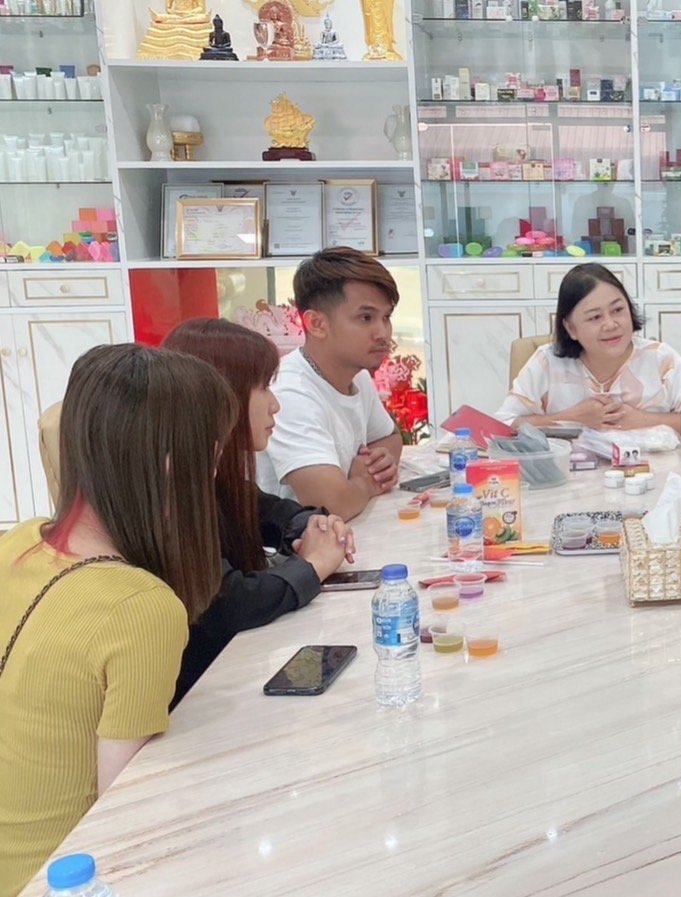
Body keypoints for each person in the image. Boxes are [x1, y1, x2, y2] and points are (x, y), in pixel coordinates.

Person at [0, 344, 234, 895]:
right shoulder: (141, 607)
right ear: (176, 467)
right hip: (58, 879)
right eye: (213, 455)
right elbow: (127, 817)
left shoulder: (17, 541)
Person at [163, 319, 356, 708]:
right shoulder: (172, 489)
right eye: (264, 387)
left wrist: (313, 525)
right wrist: (313, 565)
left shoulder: (216, 475)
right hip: (197, 699)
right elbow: (227, 601)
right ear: (221, 394)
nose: (275, 404)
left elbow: (269, 511)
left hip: (230, 675)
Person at [256, 247, 403, 519]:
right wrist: (366, 482)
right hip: (294, 541)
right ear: (316, 324)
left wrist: (378, 462)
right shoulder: (290, 393)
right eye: (366, 318)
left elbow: (390, 437)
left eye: (386, 318)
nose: (383, 333)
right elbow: (329, 506)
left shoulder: (355, 374)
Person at [496, 263, 681, 434]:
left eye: (617, 310)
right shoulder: (547, 363)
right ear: (571, 328)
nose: (610, 324)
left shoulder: (661, 360)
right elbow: (501, 426)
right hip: (566, 475)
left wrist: (644, 420)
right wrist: (571, 418)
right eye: (595, 317)